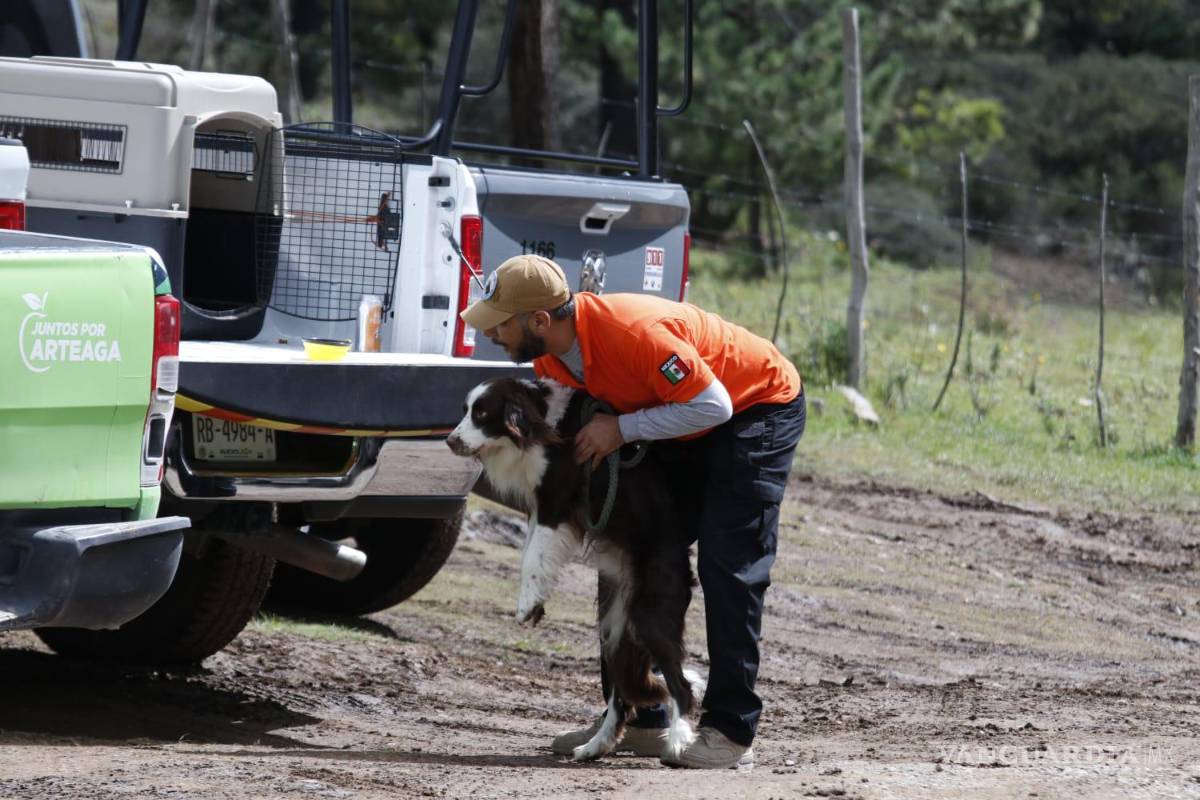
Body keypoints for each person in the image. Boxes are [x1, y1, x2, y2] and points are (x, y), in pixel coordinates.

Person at [461, 254, 805, 770]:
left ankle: (731, 731)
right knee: (625, 547)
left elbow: (713, 405)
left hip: (754, 408)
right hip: (680, 415)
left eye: (500, 323)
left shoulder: (632, 334)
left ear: (540, 321)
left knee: (727, 564)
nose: (490, 333)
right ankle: (642, 714)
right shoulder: (550, 358)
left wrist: (622, 429)